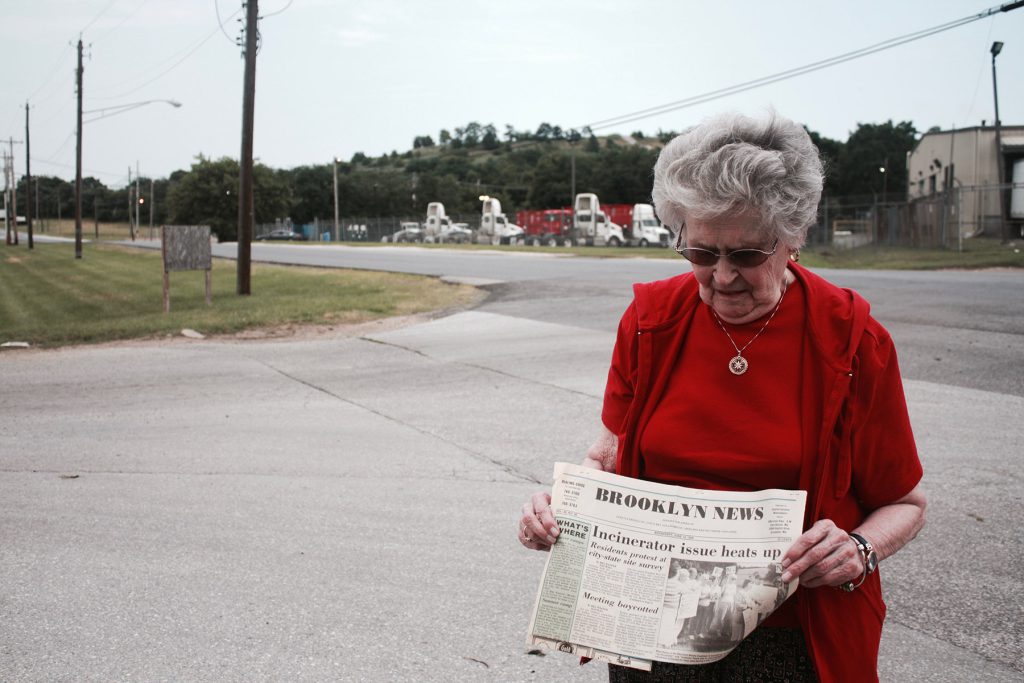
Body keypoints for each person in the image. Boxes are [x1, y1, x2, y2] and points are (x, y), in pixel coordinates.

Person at [517, 110, 926, 682]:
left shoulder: (853, 340)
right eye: (702, 253)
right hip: (649, 631)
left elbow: (906, 504)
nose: (722, 276)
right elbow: (605, 454)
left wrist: (858, 550)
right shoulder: (650, 320)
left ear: (793, 238)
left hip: (791, 643)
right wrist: (563, 509)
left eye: (747, 254)